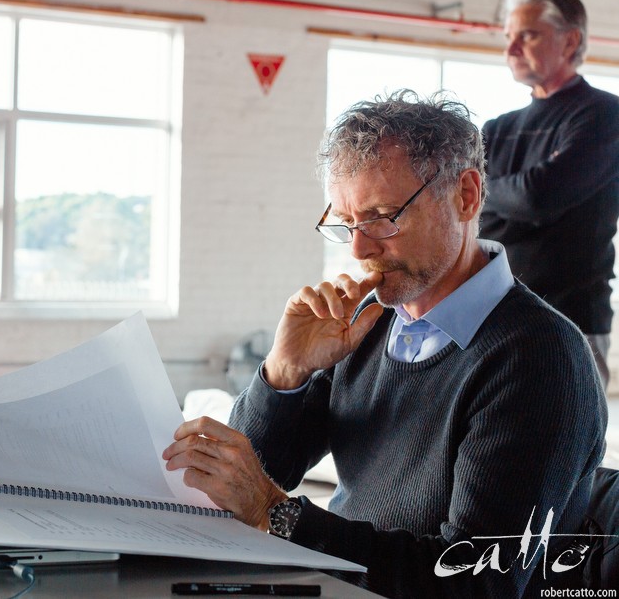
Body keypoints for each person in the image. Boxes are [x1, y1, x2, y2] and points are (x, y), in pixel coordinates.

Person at [163, 91, 606, 597]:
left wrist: (277, 513)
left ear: (465, 195)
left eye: (380, 216)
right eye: (347, 223)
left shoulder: (538, 359)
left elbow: (475, 582)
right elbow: (243, 482)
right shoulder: (365, 325)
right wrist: (283, 376)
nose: (359, 247)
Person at [479, 0, 619, 390]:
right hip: (494, 311)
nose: (512, 48)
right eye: (509, 37)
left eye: (528, 35)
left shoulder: (602, 114)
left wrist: (496, 195)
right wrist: (512, 198)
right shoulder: (497, 129)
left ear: (570, 40)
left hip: (570, 317)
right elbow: (462, 208)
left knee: (570, 442)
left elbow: (539, 197)